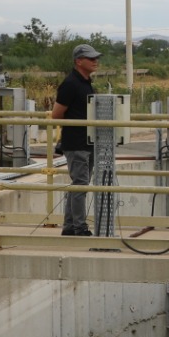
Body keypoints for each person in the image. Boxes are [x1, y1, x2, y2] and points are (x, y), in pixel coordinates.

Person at [52, 43, 101, 236]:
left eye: (96, 58)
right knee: (80, 184)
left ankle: (70, 226)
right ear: (78, 61)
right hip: (76, 142)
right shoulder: (70, 84)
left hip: (87, 141)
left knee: (79, 184)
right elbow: (56, 115)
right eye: (91, 58)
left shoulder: (85, 83)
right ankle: (79, 227)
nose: (95, 61)